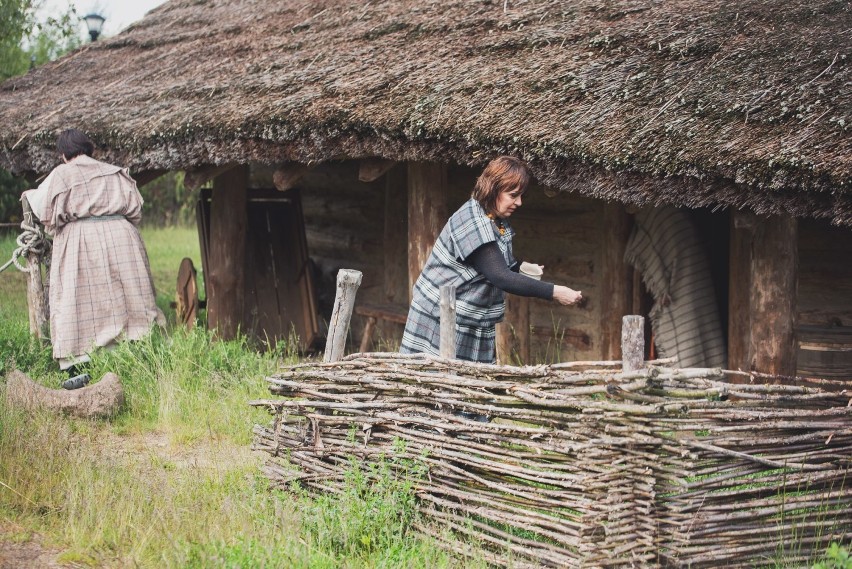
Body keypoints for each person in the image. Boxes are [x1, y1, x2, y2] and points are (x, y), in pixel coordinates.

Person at [400, 156, 582, 363]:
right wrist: (555, 292)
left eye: (521, 195)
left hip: (470, 321)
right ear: (493, 188)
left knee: (468, 386)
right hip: (438, 320)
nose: (519, 202)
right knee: (433, 381)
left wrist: (523, 267)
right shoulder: (473, 220)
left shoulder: (495, 220)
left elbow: (497, 260)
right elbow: (499, 276)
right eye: (513, 195)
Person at [22, 129, 165, 374]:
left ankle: (77, 363)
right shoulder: (115, 172)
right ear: (89, 149)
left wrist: (29, 195)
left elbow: (45, 211)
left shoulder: (62, 174)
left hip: (81, 239)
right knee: (127, 293)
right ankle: (138, 352)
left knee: (77, 297)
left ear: (64, 154)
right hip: (122, 236)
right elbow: (136, 209)